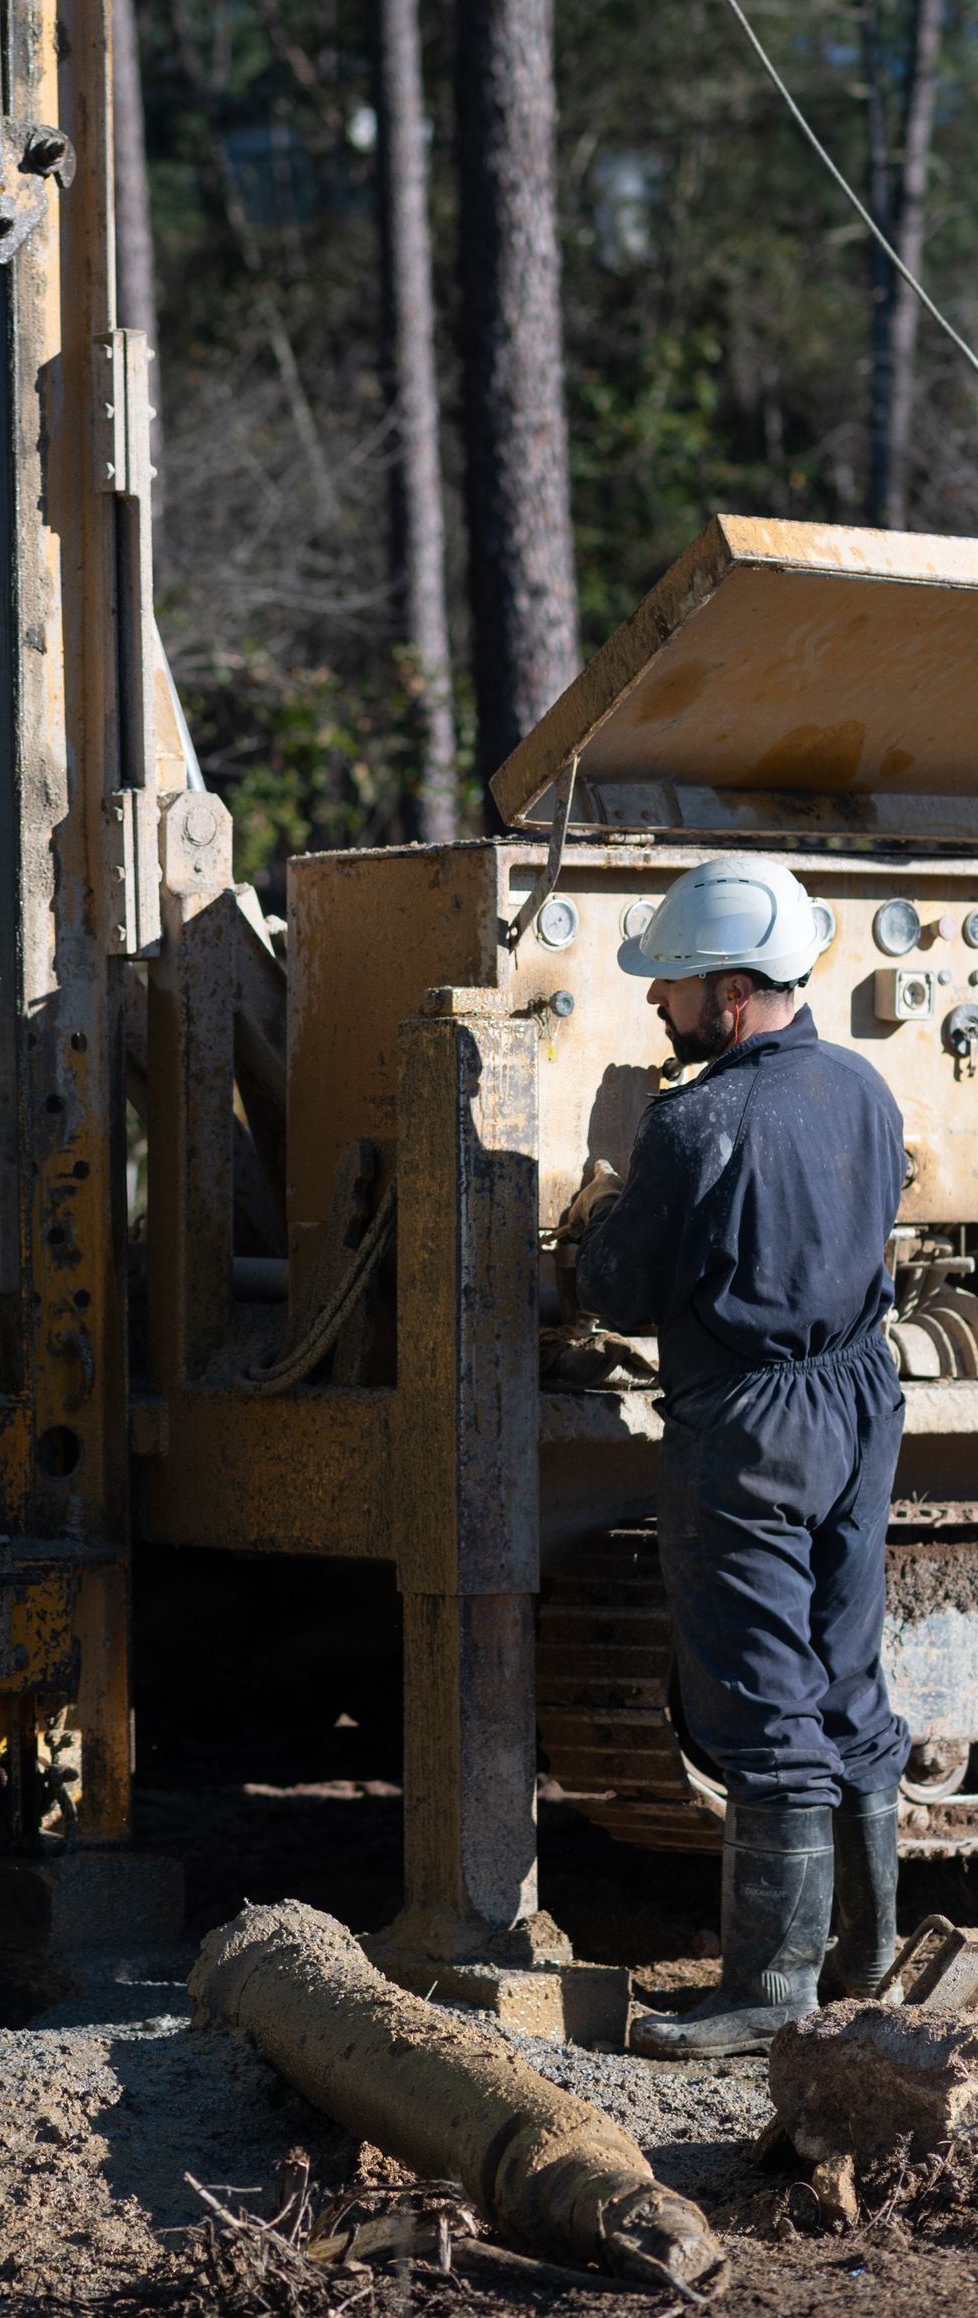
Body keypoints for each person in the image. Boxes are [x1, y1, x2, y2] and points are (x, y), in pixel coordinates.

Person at [569, 854, 909, 2061]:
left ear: (731, 991)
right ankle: (870, 1952)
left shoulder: (694, 1122)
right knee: (844, 1672)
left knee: (760, 1692)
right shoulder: (864, 1087)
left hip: (752, 1428)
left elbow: (620, 1290)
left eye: (671, 984)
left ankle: (771, 1985)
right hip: (862, 1398)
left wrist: (597, 1209)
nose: (655, 1003)